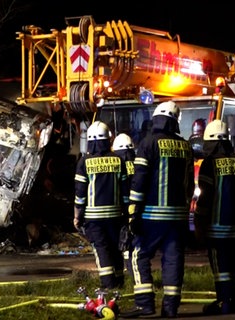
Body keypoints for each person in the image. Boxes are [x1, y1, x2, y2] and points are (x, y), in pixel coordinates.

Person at [121, 101, 194, 318]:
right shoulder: (185, 147)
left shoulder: (148, 143)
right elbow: (189, 184)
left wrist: (133, 212)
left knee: (137, 255)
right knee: (173, 259)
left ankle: (145, 304)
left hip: (152, 215)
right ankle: (170, 307)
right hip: (178, 218)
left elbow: (139, 180)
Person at [194, 119, 235, 315]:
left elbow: (205, 198)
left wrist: (199, 223)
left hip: (216, 228)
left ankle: (224, 303)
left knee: (221, 269)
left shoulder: (210, 164)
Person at [74, 121, 129, 289]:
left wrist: (77, 216)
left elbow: (80, 194)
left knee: (101, 249)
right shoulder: (118, 161)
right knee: (115, 247)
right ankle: (119, 281)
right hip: (116, 215)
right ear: (108, 140)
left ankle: (108, 284)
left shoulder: (84, 162)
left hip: (94, 218)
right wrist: (127, 214)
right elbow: (125, 192)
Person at [112, 133, 136, 275]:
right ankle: (133, 271)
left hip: (121, 208)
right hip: (139, 208)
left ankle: (124, 272)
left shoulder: (116, 164)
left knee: (122, 240)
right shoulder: (139, 162)